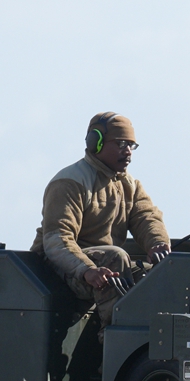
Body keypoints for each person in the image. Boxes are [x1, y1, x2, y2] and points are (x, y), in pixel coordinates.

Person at [33, 112, 171, 325]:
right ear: (95, 143)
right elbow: (56, 241)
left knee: (154, 275)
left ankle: (153, 335)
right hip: (57, 270)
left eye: (131, 145)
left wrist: (158, 244)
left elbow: (146, 217)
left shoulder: (129, 185)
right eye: (121, 144)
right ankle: (112, 336)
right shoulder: (70, 182)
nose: (128, 152)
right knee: (115, 258)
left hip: (99, 266)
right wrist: (87, 270)